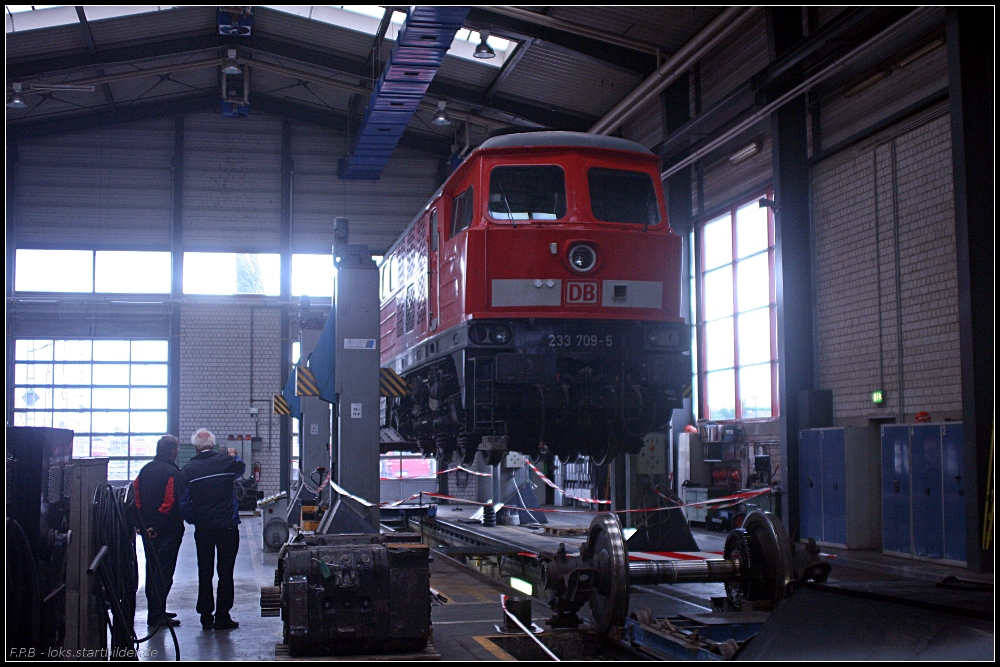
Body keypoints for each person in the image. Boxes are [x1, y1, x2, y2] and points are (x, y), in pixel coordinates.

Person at [179, 428, 245, 631]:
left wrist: (194, 519)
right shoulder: (226, 462)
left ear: (196, 447)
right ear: (213, 445)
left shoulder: (188, 469)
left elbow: (184, 502)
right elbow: (241, 469)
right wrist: (235, 455)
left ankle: (206, 616)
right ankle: (222, 616)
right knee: (226, 572)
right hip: (227, 527)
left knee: (204, 571)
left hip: (204, 529)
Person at [133, 435, 185, 628]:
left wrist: (144, 525)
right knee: (164, 573)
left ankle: (156, 610)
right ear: (172, 451)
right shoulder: (172, 472)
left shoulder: (145, 470)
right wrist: (157, 526)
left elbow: (136, 499)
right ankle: (156, 615)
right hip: (167, 532)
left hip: (147, 531)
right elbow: (170, 503)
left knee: (152, 570)